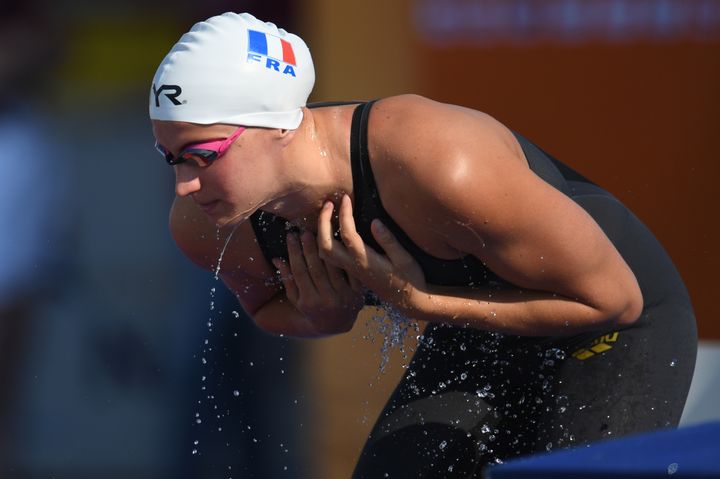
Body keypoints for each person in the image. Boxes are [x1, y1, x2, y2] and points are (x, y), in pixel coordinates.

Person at [149, 12, 698, 477]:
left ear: (280, 125)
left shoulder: (436, 160)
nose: (185, 185)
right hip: (479, 331)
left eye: (204, 154)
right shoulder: (206, 225)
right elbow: (268, 307)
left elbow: (612, 299)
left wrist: (420, 302)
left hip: (612, 324)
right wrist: (327, 316)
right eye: (170, 156)